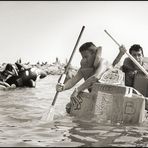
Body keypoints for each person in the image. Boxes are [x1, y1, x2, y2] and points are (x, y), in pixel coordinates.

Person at [56, 42, 110, 113]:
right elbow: (73, 80)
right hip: (93, 96)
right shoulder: (84, 67)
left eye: (86, 57)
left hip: (107, 96)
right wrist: (63, 87)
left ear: (94, 54)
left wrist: (77, 90)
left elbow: (96, 77)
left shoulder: (103, 62)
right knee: (70, 107)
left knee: (78, 93)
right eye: (82, 57)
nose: (84, 60)